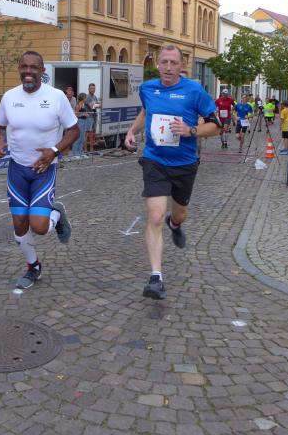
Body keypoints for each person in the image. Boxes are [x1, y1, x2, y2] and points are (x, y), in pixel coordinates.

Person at [123, 46, 219, 301]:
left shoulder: (194, 91)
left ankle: (175, 224)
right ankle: (156, 278)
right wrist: (131, 131)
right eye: (163, 62)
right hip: (154, 160)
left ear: (181, 65)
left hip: (184, 164)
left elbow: (217, 126)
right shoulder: (147, 88)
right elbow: (146, 112)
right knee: (155, 215)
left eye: (173, 63)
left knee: (179, 213)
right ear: (158, 64)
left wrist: (191, 131)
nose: (167, 67)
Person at [0, 51, 78, 290]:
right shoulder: (9, 97)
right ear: (19, 69)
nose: (28, 72)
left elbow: (74, 130)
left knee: (39, 226)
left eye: (33, 67)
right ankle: (33, 266)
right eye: (24, 67)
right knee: (20, 224)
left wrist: (55, 150)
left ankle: (56, 213)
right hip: (17, 170)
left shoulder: (56, 97)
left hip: (44, 170)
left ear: (42, 71)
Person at [85, 83, 100, 152]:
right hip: (89, 117)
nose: (93, 90)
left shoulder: (95, 97)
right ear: (88, 89)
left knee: (93, 134)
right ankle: (85, 150)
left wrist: (97, 104)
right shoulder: (87, 97)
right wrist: (98, 104)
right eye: (91, 88)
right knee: (87, 134)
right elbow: (92, 107)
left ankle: (91, 150)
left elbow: (97, 105)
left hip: (94, 117)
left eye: (94, 88)